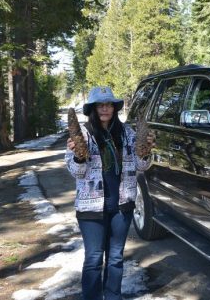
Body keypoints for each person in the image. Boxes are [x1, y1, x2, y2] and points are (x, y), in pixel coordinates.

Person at [65, 86, 155, 300]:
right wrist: (78, 155)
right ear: (93, 109)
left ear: (114, 108)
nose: (105, 109)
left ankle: (113, 296)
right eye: (100, 105)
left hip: (121, 206)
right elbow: (76, 171)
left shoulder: (127, 134)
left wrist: (146, 150)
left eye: (109, 105)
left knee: (115, 257)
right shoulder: (82, 135)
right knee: (94, 258)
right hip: (90, 209)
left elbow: (142, 166)